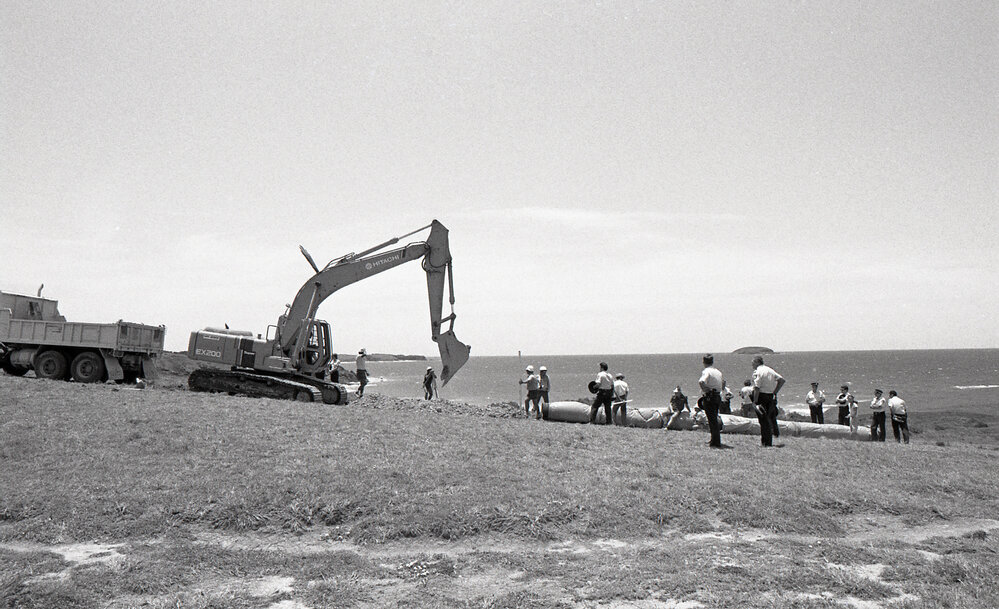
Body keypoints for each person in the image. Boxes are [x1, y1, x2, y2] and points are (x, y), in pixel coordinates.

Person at [751, 355, 785, 447]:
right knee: (768, 418)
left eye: (753, 363)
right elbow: (781, 380)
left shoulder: (758, 372)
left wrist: (755, 401)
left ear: (757, 362)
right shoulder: (770, 370)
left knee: (763, 420)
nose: (752, 365)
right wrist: (775, 392)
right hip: (770, 396)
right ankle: (768, 440)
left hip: (761, 396)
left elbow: (757, 387)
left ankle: (766, 442)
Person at [698, 354, 724, 448]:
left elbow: (701, 381)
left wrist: (706, 390)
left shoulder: (706, 371)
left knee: (712, 420)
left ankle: (715, 442)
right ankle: (714, 439)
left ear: (704, 362)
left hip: (710, 397)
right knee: (714, 418)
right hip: (717, 396)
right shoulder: (718, 372)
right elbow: (723, 383)